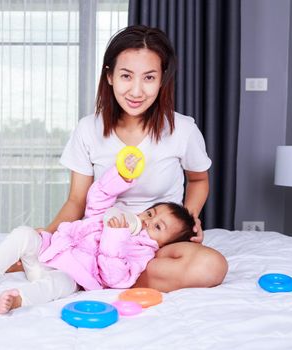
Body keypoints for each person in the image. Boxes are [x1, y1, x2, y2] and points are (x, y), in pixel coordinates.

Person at [36, 25, 228, 293]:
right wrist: (47, 235)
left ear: (162, 80)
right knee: (36, 246)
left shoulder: (183, 129)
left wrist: (189, 218)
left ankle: (102, 276)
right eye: (126, 76)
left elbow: (198, 180)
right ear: (110, 76)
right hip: (99, 238)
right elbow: (77, 201)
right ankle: (103, 269)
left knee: (211, 266)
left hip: (155, 244)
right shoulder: (88, 129)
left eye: (149, 78)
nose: (136, 91)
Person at [0, 158, 197, 314]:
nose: (147, 221)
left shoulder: (142, 253)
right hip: (48, 252)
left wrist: (115, 236)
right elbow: (98, 196)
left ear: (163, 245)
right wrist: (122, 175)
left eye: (157, 227)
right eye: (150, 213)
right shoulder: (114, 215)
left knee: (60, 285)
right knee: (24, 233)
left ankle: (15, 300)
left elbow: (115, 279)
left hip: (71, 274)